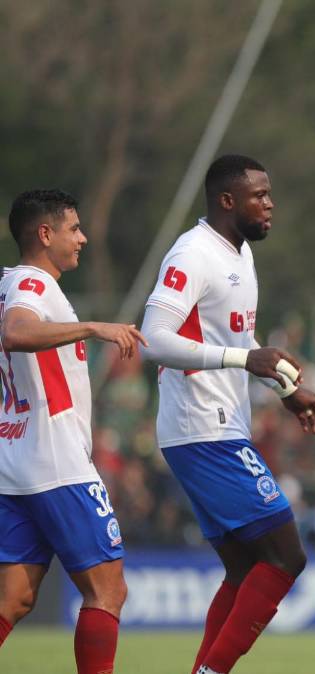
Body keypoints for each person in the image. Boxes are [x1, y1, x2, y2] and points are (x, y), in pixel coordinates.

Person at [139, 155, 315, 674]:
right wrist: (245, 359)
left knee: (247, 568)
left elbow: (234, 338)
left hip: (216, 426)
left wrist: (284, 385)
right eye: (259, 195)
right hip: (202, 428)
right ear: (227, 201)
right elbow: (154, 339)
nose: (270, 204)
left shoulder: (239, 253)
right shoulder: (193, 253)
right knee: (288, 557)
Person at [0, 189, 146, 673]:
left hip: (15, 461)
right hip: (56, 461)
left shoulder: (8, 283)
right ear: (45, 234)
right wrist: (92, 328)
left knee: (14, 600)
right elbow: (16, 333)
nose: (83, 238)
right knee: (108, 590)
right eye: (74, 228)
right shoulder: (32, 286)